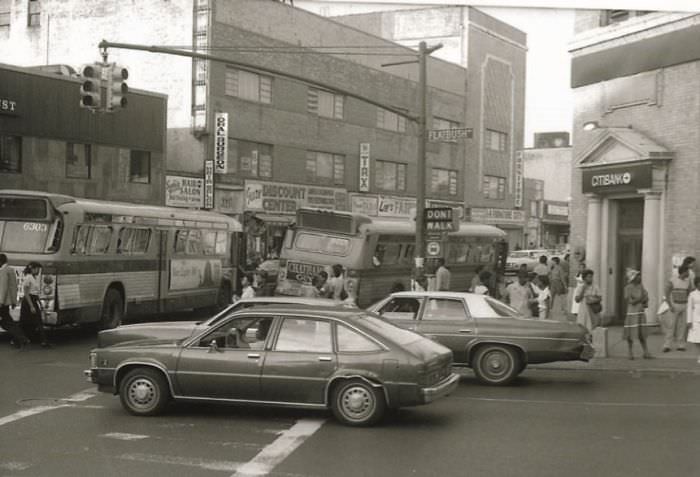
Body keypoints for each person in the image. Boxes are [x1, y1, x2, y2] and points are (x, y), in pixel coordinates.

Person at [0, 254, 30, 349]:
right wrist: (13, 301)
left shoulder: (4, 271)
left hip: (2, 301)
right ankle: (21, 338)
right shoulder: (11, 270)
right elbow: (14, 287)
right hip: (6, 301)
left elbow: (3, 287)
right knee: (7, 321)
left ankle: (21, 338)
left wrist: (0, 301)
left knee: (7, 322)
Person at [623, 269, 652, 360]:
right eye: (638, 276)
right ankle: (630, 352)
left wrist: (641, 299)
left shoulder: (641, 286)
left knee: (642, 333)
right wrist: (640, 299)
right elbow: (631, 301)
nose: (640, 277)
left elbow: (646, 297)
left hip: (640, 311)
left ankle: (646, 351)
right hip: (632, 312)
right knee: (630, 333)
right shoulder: (628, 288)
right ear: (633, 278)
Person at [19, 262, 50, 348]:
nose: (38, 271)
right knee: (27, 321)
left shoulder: (33, 278)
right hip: (28, 301)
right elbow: (26, 293)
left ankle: (41, 340)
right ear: (33, 269)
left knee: (32, 321)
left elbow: (36, 293)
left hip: (33, 299)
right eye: (37, 269)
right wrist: (31, 306)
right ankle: (42, 340)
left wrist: (40, 303)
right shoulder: (28, 278)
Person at [662, 264, 691, 352]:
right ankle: (667, 345)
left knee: (682, 326)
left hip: (684, 305)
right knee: (671, 326)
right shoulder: (672, 280)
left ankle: (681, 345)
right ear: (683, 272)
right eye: (687, 271)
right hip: (675, 305)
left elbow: (689, 293)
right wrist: (670, 305)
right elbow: (666, 293)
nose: (689, 273)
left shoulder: (688, 281)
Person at [686, 276, 700, 364]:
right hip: (696, 318)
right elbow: (689, 308)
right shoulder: (692, 294)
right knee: (697, 339)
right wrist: (689, 321)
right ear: (696, 284)